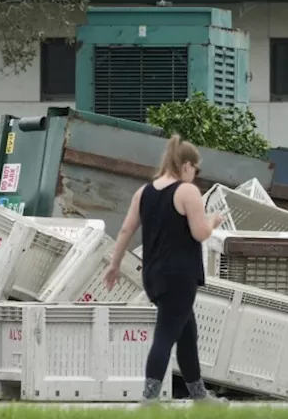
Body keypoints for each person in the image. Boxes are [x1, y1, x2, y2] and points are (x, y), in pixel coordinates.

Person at [104, 133, 225, 405]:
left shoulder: (143, 192)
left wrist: (114, 265)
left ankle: (200, 396)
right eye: (196, 168)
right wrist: (213, 221)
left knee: (187, 334)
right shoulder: (187, 191)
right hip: (179, 276)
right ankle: (149, 399)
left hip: (154, 275)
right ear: (186, 165)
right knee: (165, 336)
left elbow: (126, 229)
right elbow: (200, 232)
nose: (196, 174)